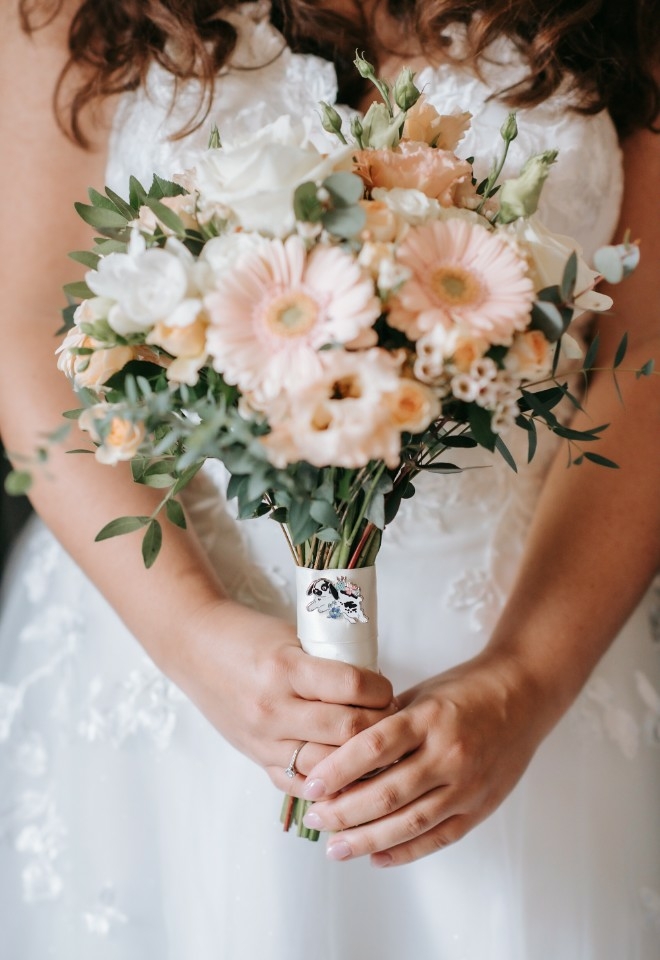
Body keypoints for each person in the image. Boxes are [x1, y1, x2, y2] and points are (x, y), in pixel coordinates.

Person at [0, 1, 658, 957]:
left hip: (534, 650)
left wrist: (527, 682)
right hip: (172, 647)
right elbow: (29, 349)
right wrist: (194, 639)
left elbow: (643, 363)